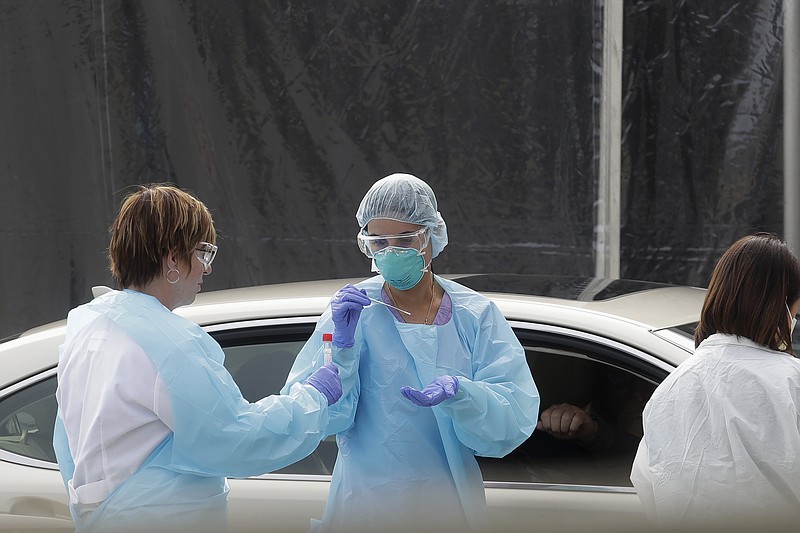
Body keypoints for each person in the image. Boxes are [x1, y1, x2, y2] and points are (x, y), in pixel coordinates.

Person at [53, 184, 342, 533]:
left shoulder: (88, 325)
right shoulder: (167, 342)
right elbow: (235, 437)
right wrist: (312, 399)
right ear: (173, 258)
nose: (206, 269)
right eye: (203, 253)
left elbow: (68, 445)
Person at [281, 173, 539, 532]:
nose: (391, 252)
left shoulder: (475, 316)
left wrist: (464, 394)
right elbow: (319, 417)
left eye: (404, 239)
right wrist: (340, 350)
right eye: (379, 242)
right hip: (364, 509)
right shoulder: (350, 312)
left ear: (433, 236)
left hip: (449, 511)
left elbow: (510, 424)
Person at [630, 233, 800, 529]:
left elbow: (648, 486)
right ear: (781, 305)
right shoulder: (791, 382)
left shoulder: (669, 390)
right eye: (796, 309)